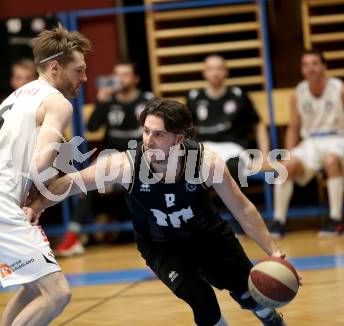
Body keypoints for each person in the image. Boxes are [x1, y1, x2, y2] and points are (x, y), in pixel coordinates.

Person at [25, 98, 292, 326]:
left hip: (209, 237)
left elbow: (243, 209)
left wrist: (274, 252)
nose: (148, 141)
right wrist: (36, 204)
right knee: (204, 304)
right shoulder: (126, 165)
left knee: (252, 295)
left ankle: (268, 315)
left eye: (158, 134)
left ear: (179, 138)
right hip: (162, 246)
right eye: (146, 132)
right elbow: (72, 182)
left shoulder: (205, 162)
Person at [0, 24, 91, 325]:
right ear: (56, 67)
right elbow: (41, 161)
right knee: (58, 293)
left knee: (34, 290)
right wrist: (52, 169)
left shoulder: (16, 96)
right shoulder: (57, 102)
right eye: (79, 70)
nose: (84, 78)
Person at [55, 61, 153, 257]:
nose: (120, 79)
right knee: (84, 182)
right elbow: (91, 128)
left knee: (151, 183)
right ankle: (73, 239)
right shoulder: (109, 101)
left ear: (135, 79)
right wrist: (101, 102)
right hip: (111, 159)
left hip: (141, 157)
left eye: (125, 74)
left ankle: (157, 236)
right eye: (117, 75)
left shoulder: (148, 101)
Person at [268, 49, 344, 239]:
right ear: (302, 70)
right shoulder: (298, 93)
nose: (310, 68)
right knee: (286, 167)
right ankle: (278, 221)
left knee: (332, 161)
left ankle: (335, 219)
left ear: (324, 66)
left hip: (337, 139)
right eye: (306, 64)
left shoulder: (339, 88)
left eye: (314, 63)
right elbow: (294, 128)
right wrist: (288, 154)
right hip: (310, 141)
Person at [186, 54, 269, 182]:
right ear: (204, 73)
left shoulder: (238, 95)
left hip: (234, 148)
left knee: (233, 168)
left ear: (226, 71)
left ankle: (232, 201)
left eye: (219, 69)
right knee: (191, 168)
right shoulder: (194, 97)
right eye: (211, 69)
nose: (215, 73)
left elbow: (258, 124)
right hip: (204, 147)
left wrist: (263, 156)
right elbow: (184, 129)